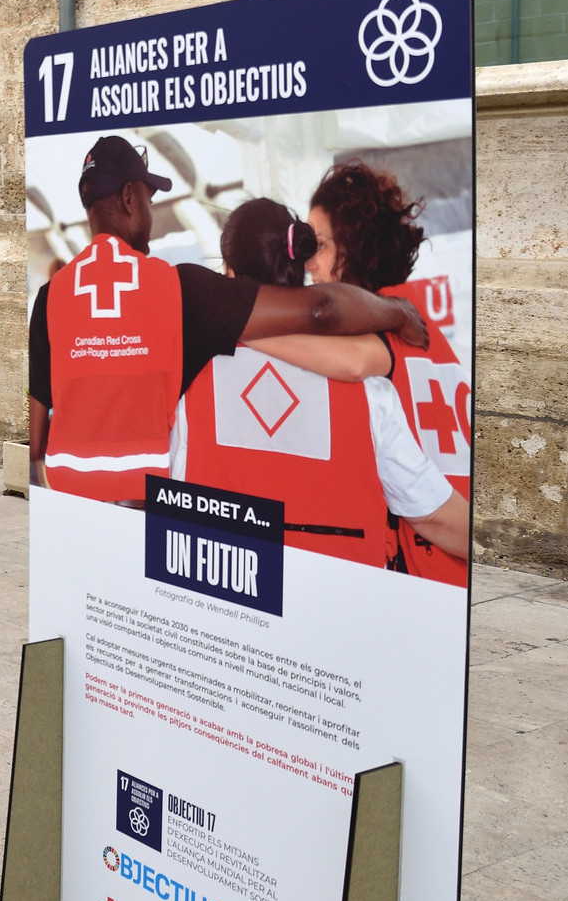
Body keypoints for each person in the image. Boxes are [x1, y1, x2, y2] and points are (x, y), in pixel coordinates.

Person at [27, 136, 429, 503]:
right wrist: (398, 311)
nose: (149, 213)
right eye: (149, 200)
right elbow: (318, 309)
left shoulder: (49, 298)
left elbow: (35, 438)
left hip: (68, 507)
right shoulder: (177, 289)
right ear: (130, 197)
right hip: (143, 512)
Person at [169, 198, 465, 572]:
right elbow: (432, 514)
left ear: (228, 273)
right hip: (341, 612)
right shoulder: (369, 390)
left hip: (225, 610)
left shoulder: (186, 377)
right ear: (301, 269)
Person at [308, 160, 473, 585]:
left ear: (355, 246)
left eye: (320, 245)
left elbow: (351, 361)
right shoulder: (420, 321)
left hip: (434, 569)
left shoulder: (377, 334)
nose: (310, 264)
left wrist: (235, 321)